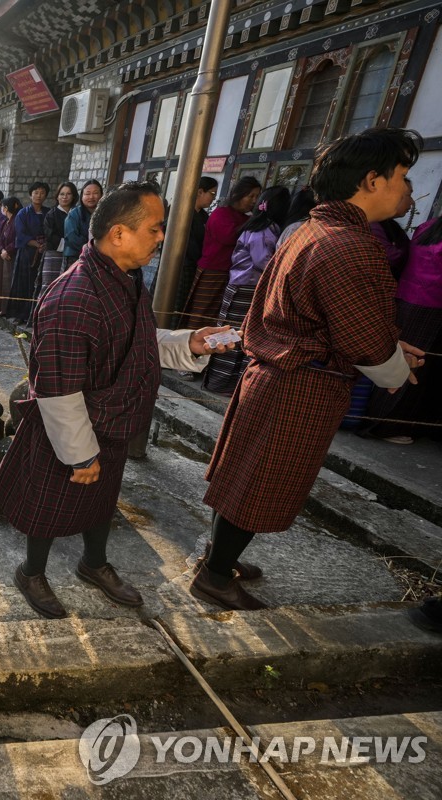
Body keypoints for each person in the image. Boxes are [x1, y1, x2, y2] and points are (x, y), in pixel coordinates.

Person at [199, 128, 426, 611]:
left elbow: (335, 316)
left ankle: (216, 560)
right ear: (370, 180)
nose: (409, 190)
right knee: (260, 483)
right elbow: (364, 339)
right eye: (403, 177)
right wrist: (394, 365)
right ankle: (215, 576)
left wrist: (388, 345)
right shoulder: (350, 243)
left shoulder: (307, 228)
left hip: (275, 374)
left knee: (243, 478)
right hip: (301, 384)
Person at [0, 182, 233, 618]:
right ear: (119, 234)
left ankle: (94, 563)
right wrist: (81, 456)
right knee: (48, 504)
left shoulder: (124, 279)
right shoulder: (73, 296)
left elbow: (137, 340)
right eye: (155, 229)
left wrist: (190, 343)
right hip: (71, 427)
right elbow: (59, 390)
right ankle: (31, 572)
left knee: (103, 500)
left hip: (113, 419)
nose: (161, 237)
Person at [362, 210, 442, 445]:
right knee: (415, 365)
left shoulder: (428, 227)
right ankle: (385, 425)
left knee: (400, 358)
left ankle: (375, 419)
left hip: (407, 298)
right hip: (432, 306)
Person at [202, 186, 290, 396]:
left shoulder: (262, 227)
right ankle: (219, 382)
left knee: (239, 335)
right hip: (245, 287)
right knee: (232, 335)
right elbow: (262, 261)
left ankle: (226, 382)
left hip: (246, 287)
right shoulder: (262, 230)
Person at [178, 176, 260, 330]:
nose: (254, 201)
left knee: (215, 316)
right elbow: (229, 237)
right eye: (251, 196)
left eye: (257, 197)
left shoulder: (243, 218)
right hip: (212, 271)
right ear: (238, 195)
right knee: (201, 313)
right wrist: (254, 222)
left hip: (229, 273)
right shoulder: (221, 214)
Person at [4, 181, 49, 324]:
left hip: (45, 253)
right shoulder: (23, 213)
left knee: (41, 284)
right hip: (26, 254)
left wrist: (45, 245)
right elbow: (21, 235)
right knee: (23, 283)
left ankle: (37, 315)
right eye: (36, 192)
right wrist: (37, 244)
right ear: (30, 195)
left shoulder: (49, 212)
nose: (39, 196)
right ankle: (20, 315)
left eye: (42, 193)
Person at [176, 177, 219, 316]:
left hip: (195, 267)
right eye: (212, 194)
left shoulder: (205, 217)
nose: (213, 198)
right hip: (181, 267)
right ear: (200, 192)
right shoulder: (182, 213)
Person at [371, 177, 414, 280]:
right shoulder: (372, 223)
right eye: (409, 195)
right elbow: (393, 257)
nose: (412, 202)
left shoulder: (390, 224)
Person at [63, 180, 103, 260]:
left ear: (102, 195)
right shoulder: (74, 214)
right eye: (87, 194)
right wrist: (91, 250)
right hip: (76, 257)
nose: (91, 197)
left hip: (100, 258)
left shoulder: (105, 214)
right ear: (82, 196)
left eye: (95, 193)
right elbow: (72, 238)